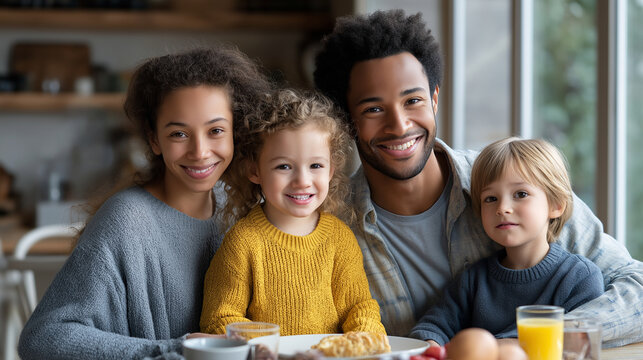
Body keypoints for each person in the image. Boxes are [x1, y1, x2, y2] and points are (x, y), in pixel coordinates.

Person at [313, 9, 643, 347]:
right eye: (373, 109)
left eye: (413, 100)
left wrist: (527, 340)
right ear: (346, 120)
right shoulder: (329, 224)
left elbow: (638, 287)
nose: (399, 125)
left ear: (435, 99)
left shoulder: (508, 182)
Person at [18, 46, 272, 359]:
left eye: (216, 130)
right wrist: (174, 351)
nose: (200, 151)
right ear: (154, 140)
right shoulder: (125, 220)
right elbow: (42, 337)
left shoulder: (239, 206)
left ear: (236, 131)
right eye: (179, 134)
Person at [199, 89, 385, 336]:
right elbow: (220, 318)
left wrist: (362, 335)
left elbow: (358, 306)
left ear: (330, 171)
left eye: (316, 165)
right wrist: (270, 347)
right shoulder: (242, 243)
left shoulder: (339, 240)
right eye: (284, 166)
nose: (303, 180)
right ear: (255, 170)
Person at [409, 137, 604, 345]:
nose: (502, 208)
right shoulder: (473, 280)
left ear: (556, 205)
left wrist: (498, 346)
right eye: (491, 198)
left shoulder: (580, 278)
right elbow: (433, 327)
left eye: (521, 194)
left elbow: (580, 344)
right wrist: (431, 344)